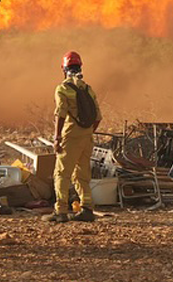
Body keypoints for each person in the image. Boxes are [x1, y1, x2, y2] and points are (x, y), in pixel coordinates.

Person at [48, 50, 101, 223]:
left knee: (62, 174)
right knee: (82, 174)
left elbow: (60, 114)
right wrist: (87, 133)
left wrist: (57, 138)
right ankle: (87, 209)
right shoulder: (87, 89)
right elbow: (98, 117)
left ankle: (61, 212)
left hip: (70, 137)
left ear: (63, 69)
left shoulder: (63, 88)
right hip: (87, 138)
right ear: (80, 67)